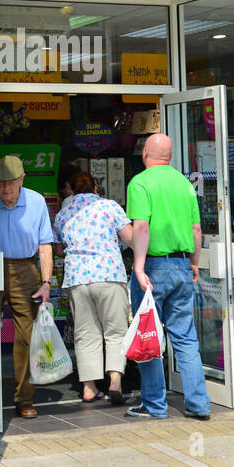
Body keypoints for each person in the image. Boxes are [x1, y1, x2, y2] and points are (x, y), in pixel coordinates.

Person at [125, 133, 212, 421]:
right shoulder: (184, 184)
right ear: (170, 156)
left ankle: (154, 405)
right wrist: (195, 263)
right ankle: (199, 404)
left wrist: (138, 267)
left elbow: (141, 228)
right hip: (182, 266)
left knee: (149, 334)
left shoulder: (140, 182)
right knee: (185, 338)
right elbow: (197, 229)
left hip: (152, 267)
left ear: (146, 152)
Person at [53, 170, 132, 406]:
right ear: (96, 188)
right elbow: (130, 238)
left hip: (77, 278)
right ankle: (115, 382)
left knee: (86, 334)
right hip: (109, 275)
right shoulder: (110, 207)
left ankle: (89, 388)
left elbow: (58, 250)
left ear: (72, 190)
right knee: (116, 331)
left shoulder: (63, 214)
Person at [0, 155, 54, 419]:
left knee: (26, 336)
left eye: (10, 183)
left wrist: (45, 282)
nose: (5, 189)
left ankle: (24, 398)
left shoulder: (36, 201)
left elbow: (44, 244)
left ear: (21, 180)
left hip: (24, 267)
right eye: (0, 183)